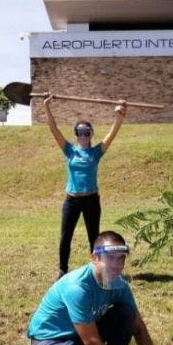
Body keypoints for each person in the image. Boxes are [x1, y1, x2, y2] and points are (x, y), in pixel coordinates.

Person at [27, 230, 171, 345]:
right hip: (51, 340)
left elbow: (139, 328)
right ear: (95, 258)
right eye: (110, 258)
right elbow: (93, 343)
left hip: (82, 332)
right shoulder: (77, 288)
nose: (117, 265)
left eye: (121, 259)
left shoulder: (118, 284)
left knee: (126, 314)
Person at [44, 96, 127, 278]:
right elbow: (53, 129)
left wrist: (120, 116)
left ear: (91, 134)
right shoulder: (69, 150)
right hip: (72, 200)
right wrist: (46, 107)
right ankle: (62, 270)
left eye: (86, 132)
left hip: (91, 199)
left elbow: (111, 135)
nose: (83, 136)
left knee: (94, 237)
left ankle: (96, 270)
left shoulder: (95, 152)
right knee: (65, 236)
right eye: (80, 132)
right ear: (75, 134)